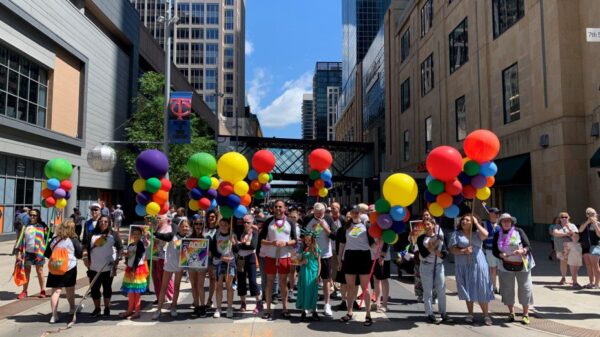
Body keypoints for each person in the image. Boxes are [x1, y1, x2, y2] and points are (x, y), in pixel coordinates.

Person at [448, 214, 495, 326]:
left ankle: (486, 315)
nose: (464, 221)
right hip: (463, 265)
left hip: (479, 264)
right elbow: (452, 249)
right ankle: (470, 314)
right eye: (463, 219)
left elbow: (486, 235)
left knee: (482, 288)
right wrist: (464, 251)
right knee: (468, 288)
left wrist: (477, 223)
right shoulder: (457, 234)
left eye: (467, 220)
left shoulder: (477, 233)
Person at [258, 200, 297, 320]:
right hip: (270, 256)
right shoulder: (268, 221)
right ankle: (268, 309)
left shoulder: (290, 222)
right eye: (276, 207)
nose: (278, 209)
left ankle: (285, 308)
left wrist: (285, 243)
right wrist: (272, 243)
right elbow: (261, 240)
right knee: (269, 283)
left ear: (285, 208)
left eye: (280, 207)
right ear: (273, 208)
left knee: (283, 283)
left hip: (284, 257)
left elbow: (295, 240)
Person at [493, 213, 534, 325]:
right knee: (507, 289)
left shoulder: (519, 231)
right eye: (504, 221)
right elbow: (494, 251)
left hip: (522, 264)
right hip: (505, 265)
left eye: (508, 221)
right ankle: (511, 313)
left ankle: (525, 314)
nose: (506, 223)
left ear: (512, 222)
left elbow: (528, 246)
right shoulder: (497, 234)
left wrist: (523, 251)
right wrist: (501, 255)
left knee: (525, 288)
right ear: (500, 223)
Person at [338, 205, 375, 327]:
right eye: (353, 212)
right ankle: (349, 312)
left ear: (360, 213)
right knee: (350, 287)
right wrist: (339, 258)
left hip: (363, 256)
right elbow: (342, 244)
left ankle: (368, 314)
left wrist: (381, 249)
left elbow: (374, 243)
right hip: (349, 256)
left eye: (357, 212)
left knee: (365, 287)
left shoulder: (367, 225)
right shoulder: (346, 226)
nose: (355, 214)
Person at [83, 215, 123, 317]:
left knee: (107, 288)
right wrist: (85, 258)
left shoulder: (113, 235)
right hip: (93, 268)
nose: (103, 223)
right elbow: (85, 247)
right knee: (95, 289)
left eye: (106, 222)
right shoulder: (91, 234)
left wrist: (117, 259)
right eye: (101, 221)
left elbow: (120, 248)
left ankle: (107, 308)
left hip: (108, 268)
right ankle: (97, 309)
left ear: (109, 223)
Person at [45, 219, 83, 323]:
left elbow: (47, 253)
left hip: (55, 267)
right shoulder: (73, 240)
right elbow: (79, 254)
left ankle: (53, 315)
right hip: (69, 267)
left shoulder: (54, 239)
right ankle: (72, 308)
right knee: (70, 290)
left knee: (56, 291)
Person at [153, 218, 191, 319]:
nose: (185, 228)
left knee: (176, 287)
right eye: (183, 226)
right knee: (163, 287)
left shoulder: (190, 239)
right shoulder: (172, 236)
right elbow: (160, 235)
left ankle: (173, 307)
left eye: (186, 226)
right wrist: (153, 231)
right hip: (169, 265)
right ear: (178, 228)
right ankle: (159, 309)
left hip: (179, 267)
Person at [417, 219, 452, 323]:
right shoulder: (421, 238)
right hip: (426, 266)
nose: (426, 226)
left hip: (438, 266)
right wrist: (432, 247)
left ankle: (443, 312)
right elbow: (423, 253)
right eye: (425, 224)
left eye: (428, 224)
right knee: (428, 291)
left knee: (441, 289)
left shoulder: (440, 237)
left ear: (433, 225)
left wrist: (440, 254)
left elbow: (446, 252)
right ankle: (429, 313)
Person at [304, 202, 335, 316]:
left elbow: (334, 235)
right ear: (313, 211)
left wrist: (325, 227)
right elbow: (303, 236)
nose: (318, 215)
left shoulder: (328, 218)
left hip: (325, 254)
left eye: (321, 213)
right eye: (316, 213)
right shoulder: (308, 218)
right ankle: (312, 304)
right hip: (311, 254)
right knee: (312, 280)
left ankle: (327, 304)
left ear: (324, 211)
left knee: (326, 280)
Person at [14, 209, 49, 299]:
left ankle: (42, 290)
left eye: (34, 215)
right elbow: (20, 239)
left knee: (40, 271)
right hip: (27, 253)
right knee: (26, 272)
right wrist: (18, 253)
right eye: (31, 215)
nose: (32, 217)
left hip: (39, 253)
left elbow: (48, 236)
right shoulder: (25, 226)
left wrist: (51, 228)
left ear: (38, 216)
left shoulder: (42, 226)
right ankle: (24, 291)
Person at [210, 218, 239, 318]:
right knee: (218, 287)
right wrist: (222, 257)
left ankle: (229, 308)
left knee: (229, 286)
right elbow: (213, 249)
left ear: (228, 226)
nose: (223, 226)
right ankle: (218, 308)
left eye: (225, 225)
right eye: (221, 225)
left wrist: (234, 243)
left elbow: (237, 250)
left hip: (230, 263)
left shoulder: (233, 235)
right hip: (219, 262)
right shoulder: (216, 235)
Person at [120, 226, 149, 320]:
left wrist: (133, 270)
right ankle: (129, 310)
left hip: (136, 270)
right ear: (131, 235)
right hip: (130, 269)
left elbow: (137, 258)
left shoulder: (141, 245)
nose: (136, 235)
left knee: (136, 293)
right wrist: (125, 255)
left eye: (138, 234)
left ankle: (137, 312)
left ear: (141, 235)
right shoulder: (131, 245)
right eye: (134, 234)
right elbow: (130, 256)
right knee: (130, 292)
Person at [236, 214, 262, 314]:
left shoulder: (254, 233)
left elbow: (252, 246)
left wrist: (240, 244)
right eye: (244, 222)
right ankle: (243, 302)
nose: (246, 224)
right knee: (241, 281)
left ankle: (259, 302)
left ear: (252, 223)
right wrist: (240, 244)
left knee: (252, 280)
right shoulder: (239, 232)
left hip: (251, 257)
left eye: (248, 222)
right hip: (240, 258)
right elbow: (235, 246)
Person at [552, 212, 582, 288]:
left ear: (569, 218)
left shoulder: (572, 226)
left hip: (571, 248)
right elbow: (555, 233)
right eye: (562, 217)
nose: (564, 218)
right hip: (560, 247)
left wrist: (569, 230)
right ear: (559, 219)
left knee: (573, 263)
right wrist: (566, 234)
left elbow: (576, 237)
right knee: (563, 262)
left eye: (566, 217)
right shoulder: (557, 226)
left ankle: (573, 278)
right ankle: (563, 277)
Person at [297, 229, 321, 321]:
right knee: (304, 291)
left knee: (313, 293)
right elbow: (297, 262)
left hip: (313, 274)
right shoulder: (302, 248)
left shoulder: (316, 249)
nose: (307, 242)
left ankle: (314, 311)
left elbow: (319, 263)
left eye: (309, 240)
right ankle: (304, 312)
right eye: (306, 240)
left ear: (313, 240)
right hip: (304, 273)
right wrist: (302, 261)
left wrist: (318, 275)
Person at [151, 215, 175, 303]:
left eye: (159, 218)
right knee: (156, 277)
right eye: (157, 218)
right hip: (154, 255)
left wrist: (156, 238)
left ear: (165, 219)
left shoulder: (169, 228)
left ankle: (169, 295)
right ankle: (159, 297)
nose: (157, 220)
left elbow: (168, 238)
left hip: (164, 256)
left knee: (164, 277)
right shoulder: (157, 227)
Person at [189, 217, 209, 317]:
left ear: (203, 225)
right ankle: (196, 306)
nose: (198, 226)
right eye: (196, 224)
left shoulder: (207, 237)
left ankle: (202, 306)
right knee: (193, 285)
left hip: (201, 265)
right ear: (193, 225)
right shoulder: (189, 237)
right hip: (191, 265)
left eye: (200, 224)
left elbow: (210, 252)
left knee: (200, 286)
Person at [579, 208, 600, 289]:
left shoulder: (598, 223)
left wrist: (594, 224)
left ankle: (597, 284)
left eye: (593, 214)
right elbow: (580, 230)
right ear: (587, 215)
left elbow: (599, 235)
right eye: (590, 214)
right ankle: (591, 282)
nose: (592, 215)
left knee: (595, 266)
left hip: (595, 246)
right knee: (588, 266)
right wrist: (587, 222)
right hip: (586, 246)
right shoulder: (585, 223)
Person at [483, 207, 501, 294]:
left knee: (501, 269)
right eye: (495, 213)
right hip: (490, 250)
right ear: (490, 214)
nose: (497, 215)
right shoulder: (485, 224)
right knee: (492, 269)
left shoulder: (501, 224)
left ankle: (502, 287)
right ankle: (494, 287)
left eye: (498, 213)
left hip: (500, 251)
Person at [204, 210, 220, 308]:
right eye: (209, 216)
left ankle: (210, 299)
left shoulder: (218, 229)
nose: (211, 218)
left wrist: (212, 253)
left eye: (213, 216)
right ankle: (198, 300)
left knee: (212, 279)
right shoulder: (203, 228)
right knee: (199, 279)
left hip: (213, 258)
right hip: (202, 258)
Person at [373, 236, 391, 313]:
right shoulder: (369, 225)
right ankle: (377, 302)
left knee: (384, 279)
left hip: (384, 258)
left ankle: (384, 304)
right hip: (373, 256)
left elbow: (387, 242)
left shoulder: (385, 226)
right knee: (376, 279)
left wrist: (382, 256)